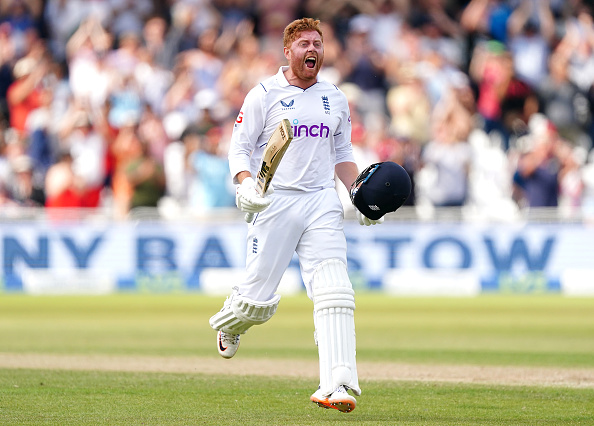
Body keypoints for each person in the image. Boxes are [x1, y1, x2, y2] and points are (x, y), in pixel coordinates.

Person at [208, 18, 383, 414]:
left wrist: (359, 196)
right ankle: (229, 323)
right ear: (287, 51)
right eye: (304, 43)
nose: (312, 49)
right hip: (275, 201)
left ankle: (336, 384)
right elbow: (239, 149)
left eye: (318, 43)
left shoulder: (335, 96)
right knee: (256, 302)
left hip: (321, 200)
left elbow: (342, 155)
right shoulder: (264, 94)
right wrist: (246, 184)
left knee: (335, 288)